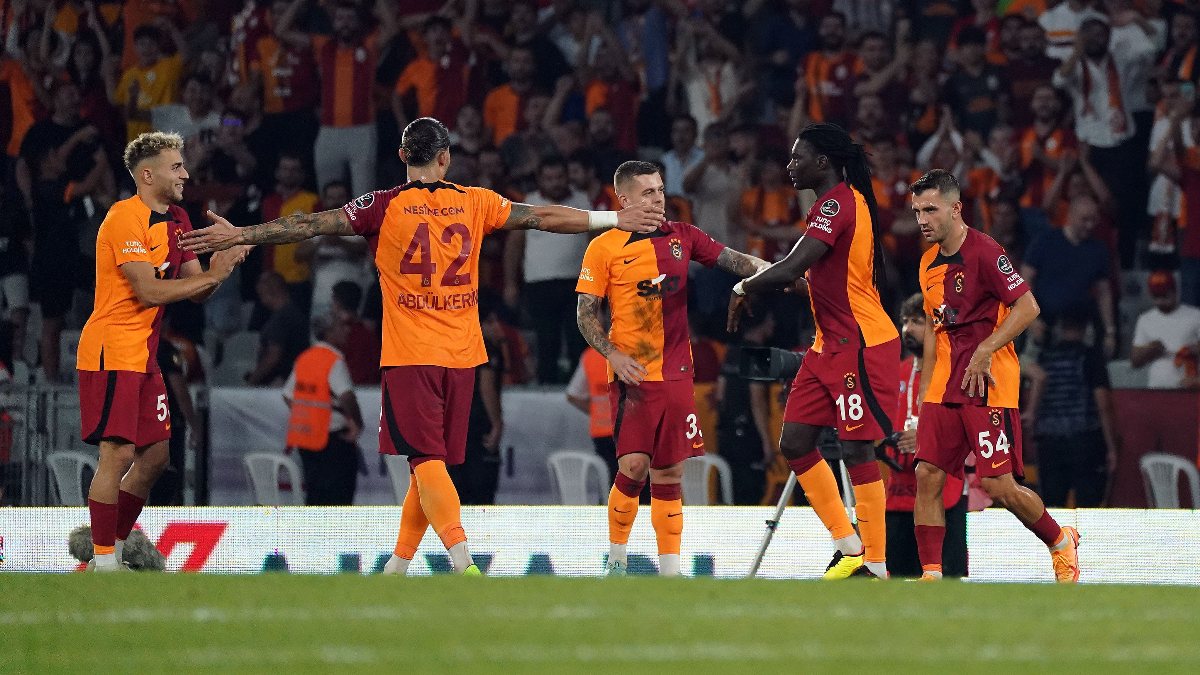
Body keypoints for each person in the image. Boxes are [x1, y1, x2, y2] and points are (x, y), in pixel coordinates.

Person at [180, 117, 663, 576]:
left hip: (411, 355)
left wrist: (243, 233)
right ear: (446, 157)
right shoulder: (476, 201)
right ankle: (399, 564)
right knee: (427, 463)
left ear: (401, 156)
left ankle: (462, 560)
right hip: (464, 355)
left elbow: (309, 225)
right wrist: (614, 217)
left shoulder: (381, 206)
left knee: (424, 461)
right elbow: (542, 216)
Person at [577, 159, 768, 577]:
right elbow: (585, 313)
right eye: (648, 192)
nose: (659, 198)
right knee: (633, 467)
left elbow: (735, 260)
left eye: (661, 190)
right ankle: (617, 559)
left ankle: (670, 569)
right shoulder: (604, 246)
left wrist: (775, 271)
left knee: (670, 471)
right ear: (624, 200)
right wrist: (612, 354)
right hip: (633, 374)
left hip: (678, 374)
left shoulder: (684, 236)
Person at [729, 123, 898, 580]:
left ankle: (875, 565)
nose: (789, 165)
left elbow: (792, 266)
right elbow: (817, 276)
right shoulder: (837, 204)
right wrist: (797, 284)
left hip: (860, 344)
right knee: (795, 443)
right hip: (828, 346)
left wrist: (744, 286)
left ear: (822, 162)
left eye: (797, 157)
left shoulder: (837, 203)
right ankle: (849, 546)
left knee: (857, 449)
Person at [78, 132, 246, 571]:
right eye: (176, 167)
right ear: (147, 175)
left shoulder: (178, 218)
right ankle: (103, 563)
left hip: (144, 355)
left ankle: (114, 548)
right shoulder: (123, 218)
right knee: (117, 455)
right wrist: (214, 275)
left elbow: (196, 290)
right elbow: (149, 291)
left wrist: (221, 267)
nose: (186, 174)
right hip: (111, 349)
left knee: (155, 458)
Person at [909, 169, 1080, 583]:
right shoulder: (927, 262)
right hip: (944, 385)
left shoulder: (986, 252)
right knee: (926, 474)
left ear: (956, 209)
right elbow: (934, 327)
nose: (922, 220)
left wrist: (986, 349)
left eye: (930, 210)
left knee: (999, 485)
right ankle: (931, 576)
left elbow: (1028, 307)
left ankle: (1061, 541)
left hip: (988, 386)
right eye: (917, 212)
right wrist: (924, 389)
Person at [885, 293, 967, 579]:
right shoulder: (896, 373)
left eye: (917, 322)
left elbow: (965, 426)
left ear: (936, 328)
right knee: (895, 580)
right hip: (898, 493)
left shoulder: (953, 373)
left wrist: (923, 436)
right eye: (905, 321)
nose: (907, 329)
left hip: (944, 493)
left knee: (947, 581)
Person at [1034, 308, 1119, 508]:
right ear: (1086, 328)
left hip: (1049, 443)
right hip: (1084, 441)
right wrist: (1112, 447)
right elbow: (1103, 404)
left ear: (1060, 328)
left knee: (1052, 508)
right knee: (1088, 508)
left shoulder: (1044, 358)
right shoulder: (1091, 357)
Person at [283, 313, 363, 506]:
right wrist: (357, 423)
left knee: (315, 498)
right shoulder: (333, 360)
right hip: (332, 440)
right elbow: (346, 396)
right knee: (338, 501)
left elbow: (288, 394)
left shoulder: (305, 358)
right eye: (341, 326)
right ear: (329, 332)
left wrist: (308, 415)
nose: (346, 331)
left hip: (306, 439)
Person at [447, 295, 505, 505]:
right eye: (491, 321)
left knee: (459, 496)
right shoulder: (487, 349)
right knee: (482, 499)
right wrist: (497, 424)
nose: (496, 327)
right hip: (479, 428)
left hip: (457, 428)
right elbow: (486, 386)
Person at [1131, 270, 1200, 389]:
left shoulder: (1195, 315)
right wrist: (1150, 350)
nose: (1160, 301)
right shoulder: (1145, 319)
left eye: (1164, 295)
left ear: (1175, 291)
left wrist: (1192, 350)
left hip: (1188, 389)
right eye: (1156, 296)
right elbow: (1135, 361)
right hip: (1156, 388)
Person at [566, 346, 617, 481]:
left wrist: (596, 411)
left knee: (608, 480)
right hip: (631, 432)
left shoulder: (591, 355)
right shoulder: (637, 350)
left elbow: (573, 395)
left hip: (601, 432)